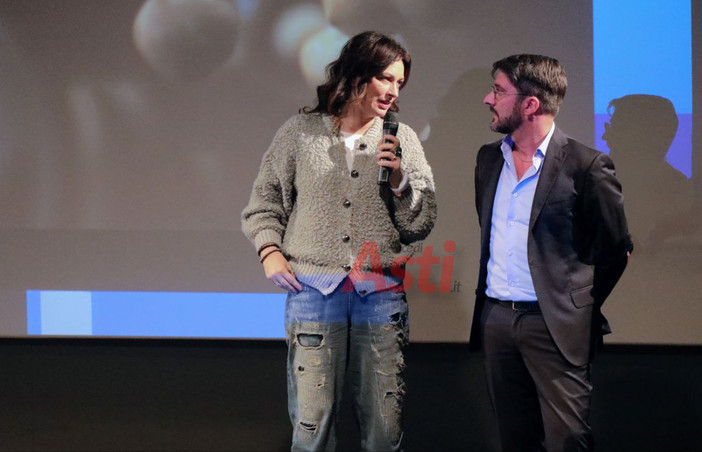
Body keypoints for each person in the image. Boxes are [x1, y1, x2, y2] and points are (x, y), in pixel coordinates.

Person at [241, 31, 436, 451]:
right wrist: (269, 250)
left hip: (380, 296)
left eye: (399, 83)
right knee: (313, 428)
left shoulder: (402, 140)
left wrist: (402, 181)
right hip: (313, 294)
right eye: (386, 78)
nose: (392, 90)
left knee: (384, 430)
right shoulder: (299, 132)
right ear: (357, 74)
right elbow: (264, 201)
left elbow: (421, 222)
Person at [470, 54, 631, 451]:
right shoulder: (489, 158)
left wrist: (575, 304)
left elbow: (615, 249)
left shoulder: (586, 165)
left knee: (568, 438)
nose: (488, 99)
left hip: (553, 325)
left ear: (530, 105)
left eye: (498, 90)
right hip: (496, 319)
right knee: (514, 437)